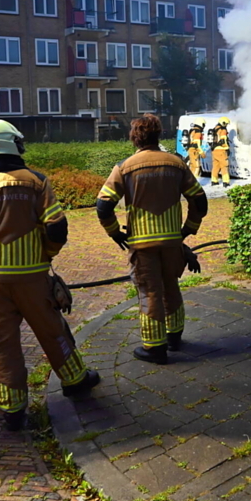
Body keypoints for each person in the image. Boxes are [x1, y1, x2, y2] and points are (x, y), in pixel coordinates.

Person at [0, 120, 99, 431]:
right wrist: (47, 254)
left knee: (3, 342)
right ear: (13, 145)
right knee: (52, 329)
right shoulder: (36, 182)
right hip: (33, 278)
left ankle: (12, 408)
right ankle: (74, 380)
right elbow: (57, 227)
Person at [96, 114, 208, 364]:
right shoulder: (176, 163)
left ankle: (154, 348)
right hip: (172, 243)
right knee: (171, 286)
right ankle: (174, 337)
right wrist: (187, 230)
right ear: (159, 135)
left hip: (142, 244)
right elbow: (199, 200)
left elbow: (103, 205)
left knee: (149, 293)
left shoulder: (124, 167)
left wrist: (115, 232)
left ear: (134, 137)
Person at [210, 116, 232, 188]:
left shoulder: (215, 129)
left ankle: (214, 180)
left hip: (214, 150)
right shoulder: (223, 130)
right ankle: (226, 181)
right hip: (221, 150)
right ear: (223, 123)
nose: (226, 125)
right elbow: (223, 140)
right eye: (226, 124)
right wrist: (227, 148)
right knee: (224, 166)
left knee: (216, 166)